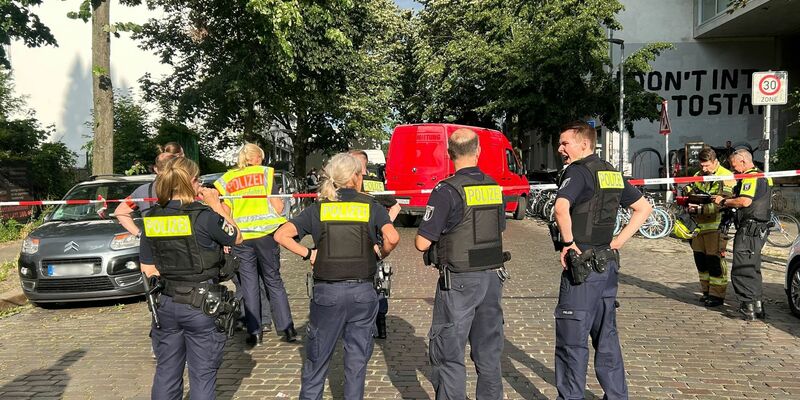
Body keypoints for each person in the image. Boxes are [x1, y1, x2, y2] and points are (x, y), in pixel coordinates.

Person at [274, 153, 399, 399]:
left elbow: (281, 235)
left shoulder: (319, 208)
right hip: (362, 293)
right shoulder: (370, 206)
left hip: (327, 293)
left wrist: (309, 253)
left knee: (316, 364)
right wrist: (380, 253)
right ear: (356, 177)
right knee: (356, 364)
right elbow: (393, 237)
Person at [552, 121, 652, 400]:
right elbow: (643, 208)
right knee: (606, 336)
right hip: (607, 265)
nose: (560, 149)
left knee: (572, 338)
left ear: (584, 144)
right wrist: (618, 242)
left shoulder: (578, 171)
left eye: (565, 143)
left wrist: (568, 244)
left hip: (582, 267)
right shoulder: (611, 172)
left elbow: (561, 208)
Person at [414, 128, 508, 399]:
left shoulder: (446, 190)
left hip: (459, 281)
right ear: (478, 151)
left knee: (449, 353)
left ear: (449, 153)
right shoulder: (493, 187)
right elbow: (499, 228)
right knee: (489, 354)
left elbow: (422, 242)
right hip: (492, 277)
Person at [139, 157, 243, 400]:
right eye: (199, 180)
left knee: (166, 371)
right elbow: (236, 236)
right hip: (202, 304)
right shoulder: (205, 216)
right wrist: (216, 204)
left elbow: (147, 267)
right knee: (203, 374)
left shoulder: (152, 217)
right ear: (192, 182)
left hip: (166, 302)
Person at [214, 143, 296, 345]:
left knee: (249, 284)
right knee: (273, 280)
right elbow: (278, 206)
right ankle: (287, 329)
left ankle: (255, 332)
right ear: (257, 158)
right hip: (266, 235)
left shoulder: (227, 179)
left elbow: (224, 211)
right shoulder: (265, 173)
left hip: (241, 238)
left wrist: (233, 232)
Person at [713, 149, 772, 320]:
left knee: (742, 268)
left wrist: (724, 201)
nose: (733, 170)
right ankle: (757, 305)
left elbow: (745, 201)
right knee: (753, 267)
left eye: (734, 166)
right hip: (759, 228)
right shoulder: (764, 176)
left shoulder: (750, 177)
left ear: (744, 161)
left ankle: (747, 307)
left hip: (749, 229)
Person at [350, 150, 401, 339]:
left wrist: (384, 226)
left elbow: (396, 206)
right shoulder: (375, 182)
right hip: (373, 241)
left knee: (365, 282)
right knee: (378, 282)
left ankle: (364, 324)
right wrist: (385, 226)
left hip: (361, 240)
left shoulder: (354, 183)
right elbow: (396, 206)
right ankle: (379, 324)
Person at [682, 148, 736, 307]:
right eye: (702, 165)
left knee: (715, 261)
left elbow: (724, 202)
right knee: (701, 261)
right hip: (698, 226)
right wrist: (686, 193)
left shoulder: (726, 176)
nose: (704, 169)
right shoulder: (698, 175)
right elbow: (690, 190)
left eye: (707, 165)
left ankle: (717, 295)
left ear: (715, 161)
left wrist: (700, 209)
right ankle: (706, 292)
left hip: (716, 226)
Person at [115, 152, 178, 236]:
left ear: (156, 169)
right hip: (184, 242)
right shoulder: (189, 189)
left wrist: (139, 234)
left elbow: (120, 212)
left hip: (153, 241)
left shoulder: (142, 191)